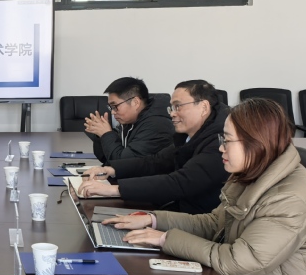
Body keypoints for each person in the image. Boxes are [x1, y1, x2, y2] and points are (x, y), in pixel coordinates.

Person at [102, 98, 306, 275]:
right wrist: (154, 219)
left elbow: (237, 262)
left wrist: (164, 238)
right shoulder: (252, 172)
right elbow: (215, 223)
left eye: (227, 140)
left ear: (256, 142)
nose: (220, 148)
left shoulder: (288, 198)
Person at [78, 80, 230, 213]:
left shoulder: (221, 141)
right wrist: (111, 170)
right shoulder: (189, 135)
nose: (172, 114)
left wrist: (114, 190)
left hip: (202, 221)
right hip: (182, 210)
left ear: (204, 107)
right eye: (172, 108)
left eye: (178, 107)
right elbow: (156, 161)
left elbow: (179, 182)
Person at [84, 76, 174, 163]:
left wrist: (106, 134)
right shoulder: (130, 121)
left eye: (115, 106)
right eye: (111, 107)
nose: (113, 112)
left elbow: (123, 163)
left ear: (135, 102)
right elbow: (106, 159)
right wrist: (100, 135)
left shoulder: (155, 126)